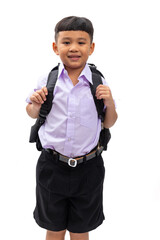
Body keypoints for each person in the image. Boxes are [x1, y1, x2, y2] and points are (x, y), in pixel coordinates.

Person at [26, 16, 118, 240]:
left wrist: (111, 102)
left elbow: (108, 122)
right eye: (66, 42)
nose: (74, 48)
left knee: (80, 229)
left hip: (89, 168)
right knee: (54, 227)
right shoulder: (48, 80)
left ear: (91, 47)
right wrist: (35, 104)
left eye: (81, 42)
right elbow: (31, 113)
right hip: (52, 166)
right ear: (56, 47)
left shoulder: (98, 81)